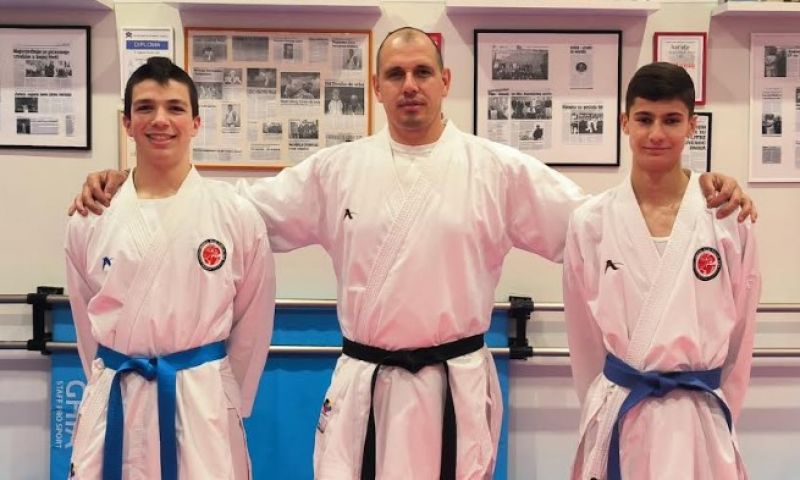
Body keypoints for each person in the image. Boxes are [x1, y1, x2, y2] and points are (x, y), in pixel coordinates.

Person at [70, 28, 754, 480]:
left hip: (454, 384)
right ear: (376, 86)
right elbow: (232, 219)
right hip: (366, 383)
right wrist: (129, 183)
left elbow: (602, 230)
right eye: (394, 73)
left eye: (422, 71)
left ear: (445, 79)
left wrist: (698, 190)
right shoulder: (337, 170)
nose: (409, 85)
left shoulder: (495, 169)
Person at [64, 57, 275, 480]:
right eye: (145, 107)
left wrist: (223, 394)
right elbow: (87, 325)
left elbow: (253, 321)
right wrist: (107, 376)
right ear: (127, 123)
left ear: (196, 123)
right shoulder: (91, 217)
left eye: (175, 108)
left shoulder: (234, 214)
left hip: (202, 400)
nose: (160, 119)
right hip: (117, 393)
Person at [562, 62, 760, 480]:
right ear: (624, 123)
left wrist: (721, 409)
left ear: (691, 126)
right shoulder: (590, 221)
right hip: (621, 408)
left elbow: (741, 336)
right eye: (644, 119)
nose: (656, 133)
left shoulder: (726, 219)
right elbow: (584, 340)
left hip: (699, 416)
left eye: (671, 120)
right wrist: (602, 400)